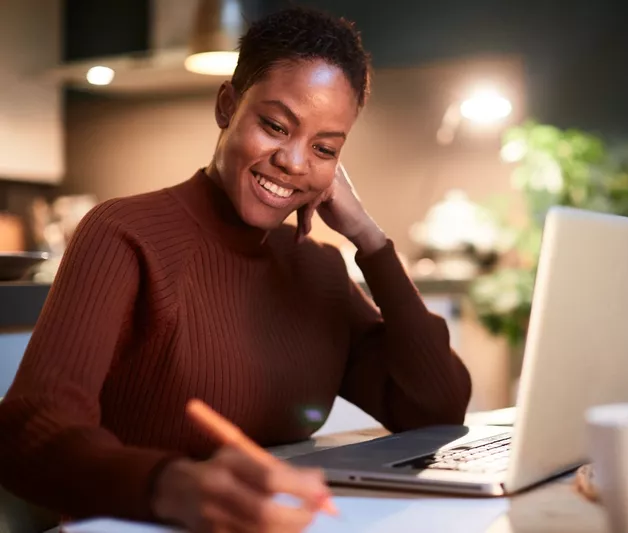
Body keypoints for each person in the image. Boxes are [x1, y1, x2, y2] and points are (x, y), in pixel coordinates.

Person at [0, 6, 471, 533]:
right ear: (227, 105)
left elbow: (436, 408)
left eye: (324, 148)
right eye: (275, 126)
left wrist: (370, 240)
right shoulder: (123, 234)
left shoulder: (317, 268)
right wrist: (174, 486)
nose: (294, 162)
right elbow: (28, 430)